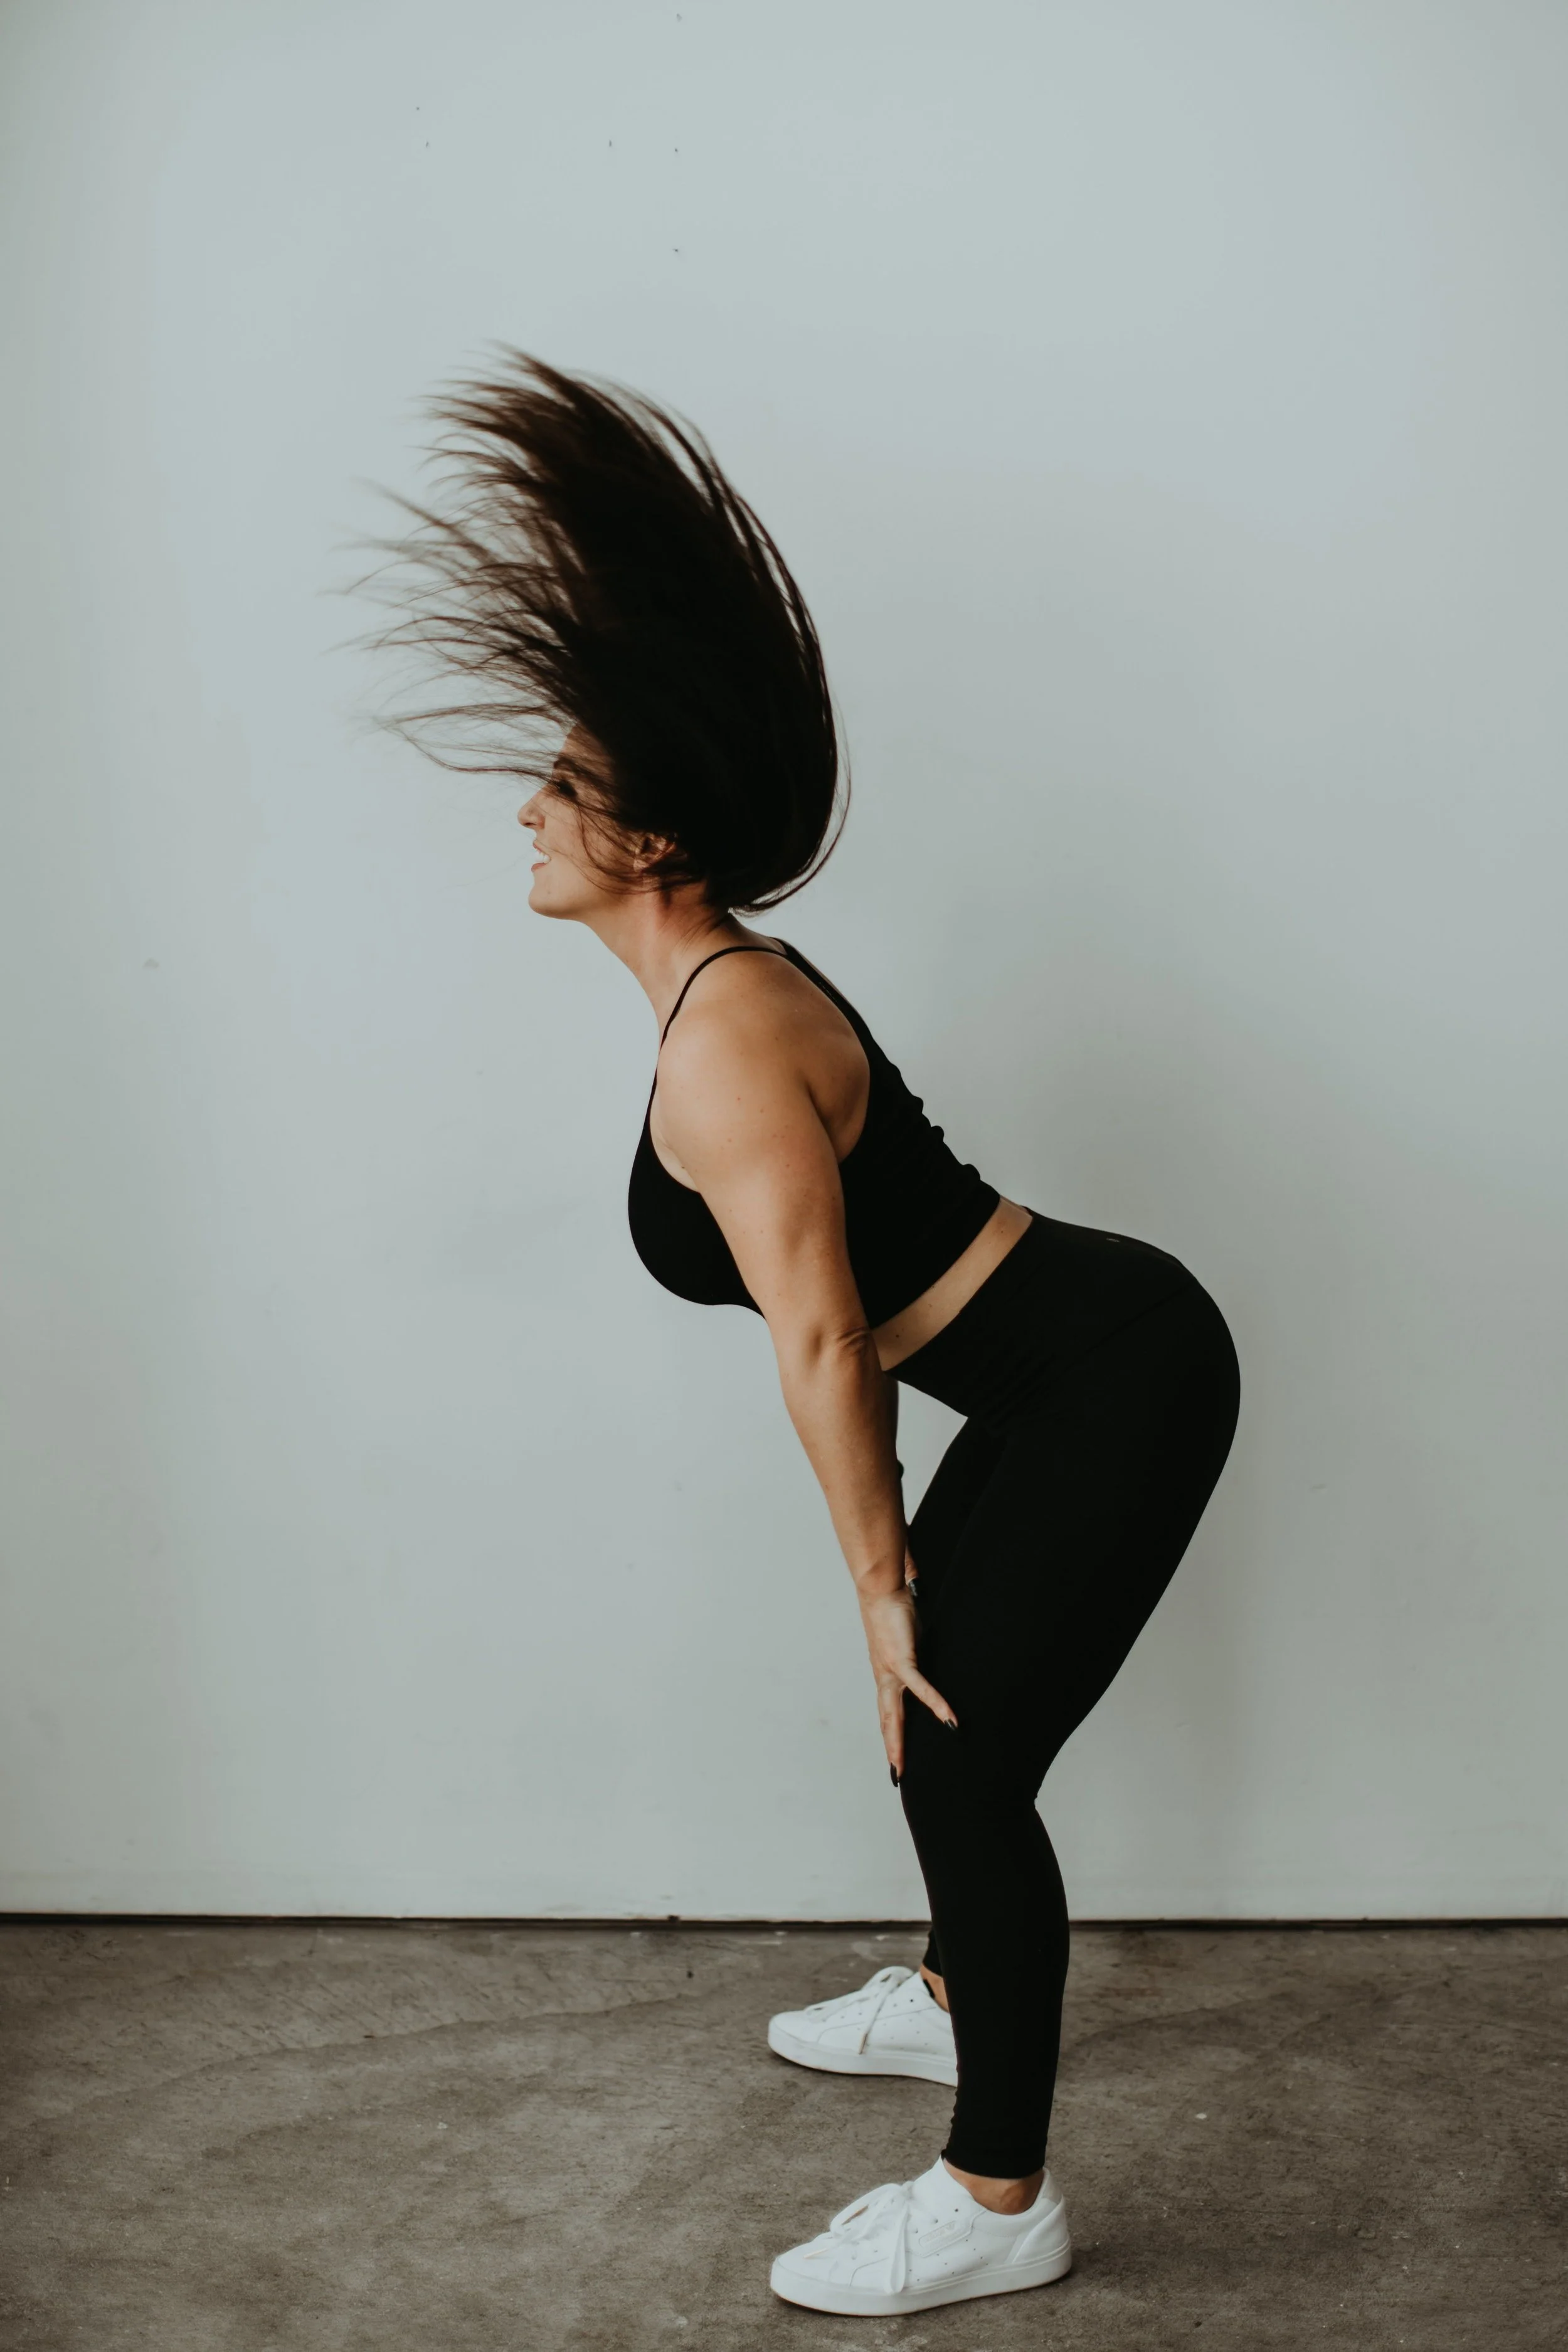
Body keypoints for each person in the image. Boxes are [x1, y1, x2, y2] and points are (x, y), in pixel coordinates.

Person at [369, 352, 1241, 2318]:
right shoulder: (710, 1005)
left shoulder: (730, 1047)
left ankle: (999, 2195)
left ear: (652, 843)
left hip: (1119, 1369)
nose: (527, 807)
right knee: (946, 1725)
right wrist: (893, 1573)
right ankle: (951, 1994)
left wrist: (879, 1588)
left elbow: (833, 1342)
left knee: (954, 1752)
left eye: (565, 787)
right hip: (1057, 1359)